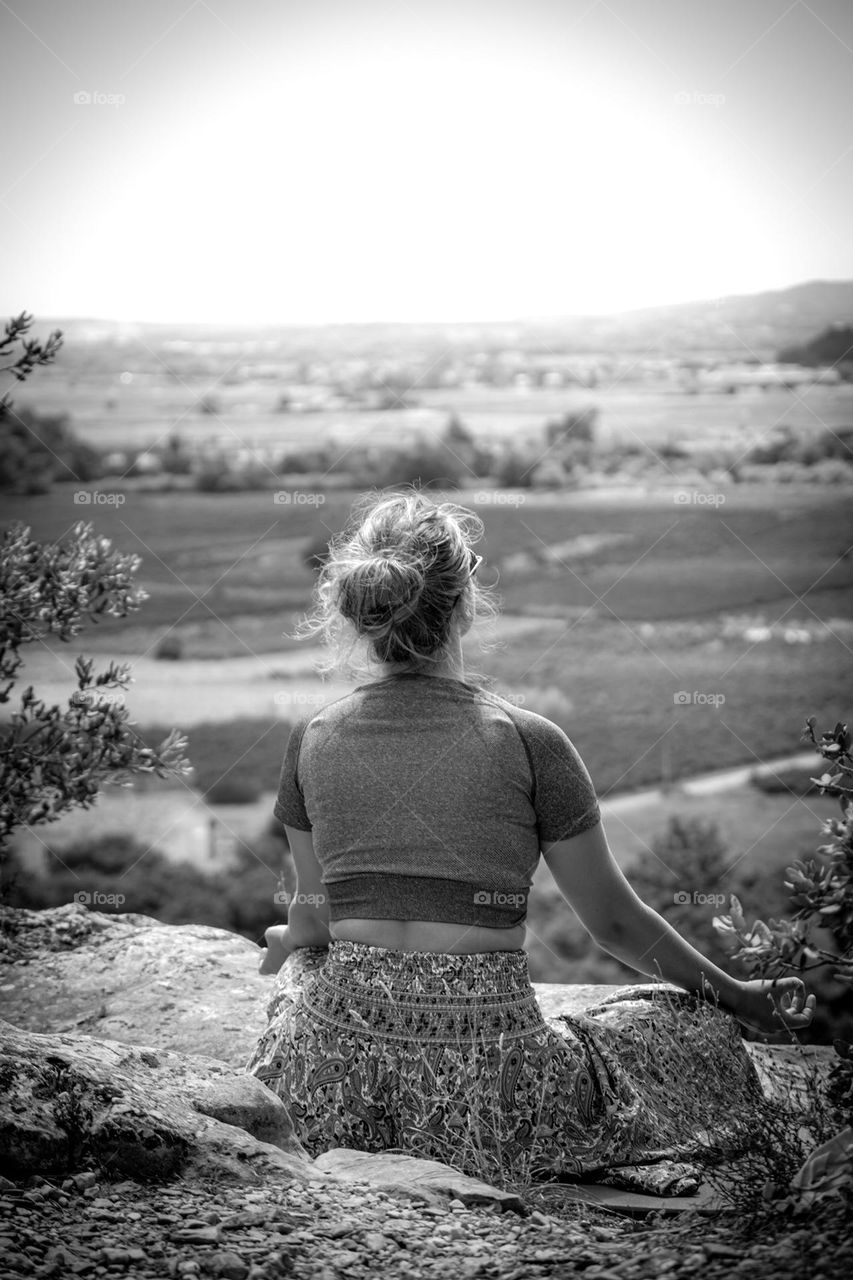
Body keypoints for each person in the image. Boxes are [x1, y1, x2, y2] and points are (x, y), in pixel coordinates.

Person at [245, 489, 815, 1191]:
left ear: (357, 615)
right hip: (492, 1086)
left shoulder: (313, 736)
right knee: (680, 1027)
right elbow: (611, 924)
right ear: (463, 604)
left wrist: (284, 940)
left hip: (328, 1075)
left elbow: (311, 922)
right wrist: (740, 996)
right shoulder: (528, 741)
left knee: (304, 988)